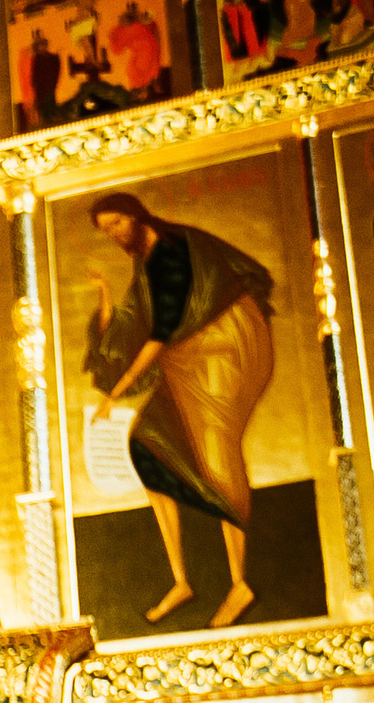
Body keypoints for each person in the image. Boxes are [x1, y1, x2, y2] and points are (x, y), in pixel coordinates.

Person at [83, 191, 276, 629]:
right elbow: (140, 317)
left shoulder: (170, 249)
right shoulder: (146, 254)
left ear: (135, 216)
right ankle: (181, 581)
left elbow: (162, 330)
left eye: (116, 224)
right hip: (186, 354)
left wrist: (118, 392)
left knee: (217, 455)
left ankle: (241, 582)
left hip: (222, 343)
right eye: (105, 230)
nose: (113, 235)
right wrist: (105, 295)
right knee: (145, 447)